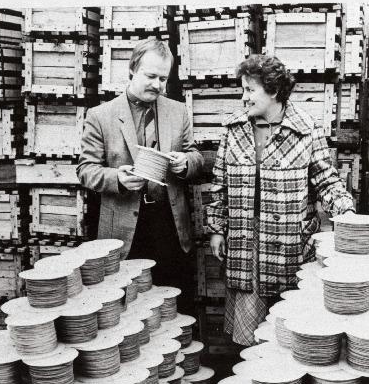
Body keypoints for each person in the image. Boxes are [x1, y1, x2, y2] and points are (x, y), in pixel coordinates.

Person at [206, 54, 355, 346]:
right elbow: (220, 184)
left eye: (250, 90)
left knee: (288, 336)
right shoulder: (234, 130)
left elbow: (326, 179)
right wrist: (216, 228)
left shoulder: (306, 129)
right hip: (245, 244)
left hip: (289, 245)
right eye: (243, 89)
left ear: (273, 91)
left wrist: (345, 211)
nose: (243, 98)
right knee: (249, 340)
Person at [77, 39, 204, 314]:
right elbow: (85, 170)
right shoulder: (101, 116)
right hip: (125, 230)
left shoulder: (177, 111)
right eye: (150, 76)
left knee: (175, 307)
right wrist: (117, 179)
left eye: (163, 79)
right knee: (128, 309)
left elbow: (195, 156)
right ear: (132, 70)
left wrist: (186, 163)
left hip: (169, 224)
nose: (157, 85)